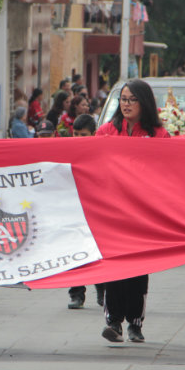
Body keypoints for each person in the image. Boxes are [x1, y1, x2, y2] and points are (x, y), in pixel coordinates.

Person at [96, 79, 169, 343]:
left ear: (144, 103)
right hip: (112, 212)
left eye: (131, 100)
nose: (126, 104)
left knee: (138, 268)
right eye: (123, 100)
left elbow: (167, 172)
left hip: (142, 212)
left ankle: (135, 323)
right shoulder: (105, 131)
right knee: (114, 267)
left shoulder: (160, 135)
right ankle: (113, 322)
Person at [66, 114, 105, 309]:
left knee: (98, 250)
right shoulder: (65, 150)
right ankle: (76, 294)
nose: (78, 137)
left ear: (94, 134)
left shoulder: (100, 152)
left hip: (95, 208)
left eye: (83, 134)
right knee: (74, 250)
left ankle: (102, 288)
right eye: (75, 133)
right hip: (73, 208)